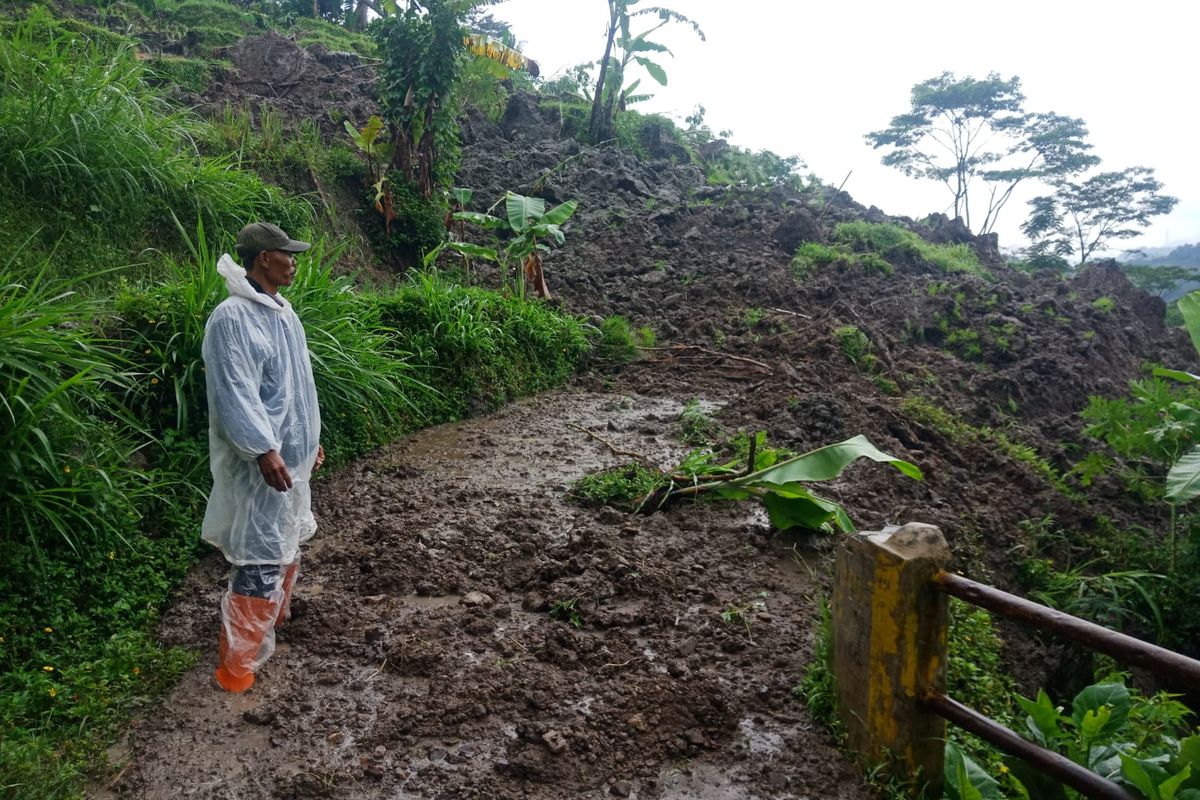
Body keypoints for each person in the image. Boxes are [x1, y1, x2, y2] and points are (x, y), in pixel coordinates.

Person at [201, 221, 325, 693]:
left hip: (289, 459)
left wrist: (308, 440)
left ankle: (274, 620)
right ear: (263, 258)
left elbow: (298, 387)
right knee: (259, 555)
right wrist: (263, 449)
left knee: (287, 540)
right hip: (261, 466)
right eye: (285, 253)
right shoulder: (232, 318)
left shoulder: (281, 311)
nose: (293, 260)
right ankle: (236, 667)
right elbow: (235, 393)